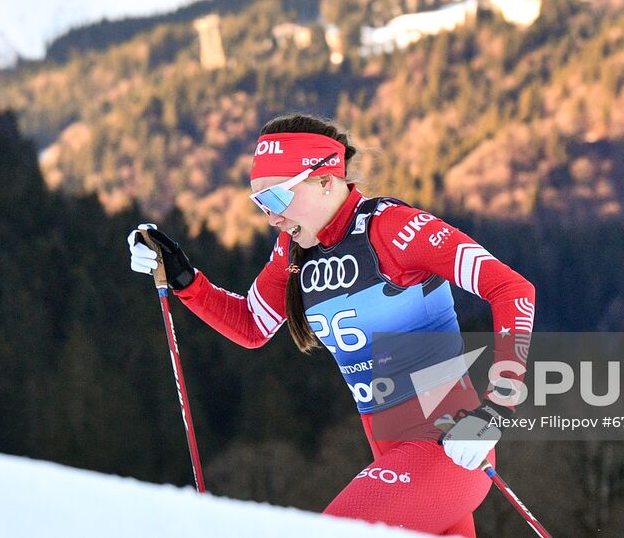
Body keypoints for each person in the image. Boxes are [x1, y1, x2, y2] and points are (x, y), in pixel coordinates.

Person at [127, 113, 536, 537]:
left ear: (326, 181)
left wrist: (495, 411)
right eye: (261, 204)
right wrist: (184, 279)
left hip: (448, 449)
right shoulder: (296, 249)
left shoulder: (395, 229)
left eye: (278, 200)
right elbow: (251, 324)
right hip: (395, 458)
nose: (272, 218)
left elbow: (512, 290)